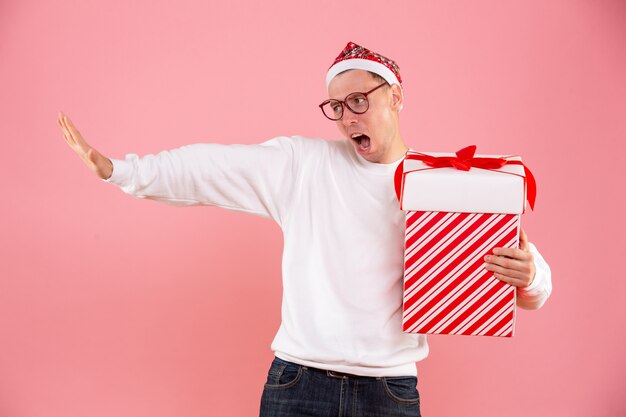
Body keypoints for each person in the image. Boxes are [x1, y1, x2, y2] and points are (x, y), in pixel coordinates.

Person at [58, 41, 552, 417]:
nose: (344, 117)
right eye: (335, 107)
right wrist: (120, 170)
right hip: (297, 383)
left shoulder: (443, 182)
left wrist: (528, 275)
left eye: (358, 101)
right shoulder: (304, 164)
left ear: (396, 96)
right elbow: (211, 167)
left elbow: (529, 290)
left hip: (390, 389)